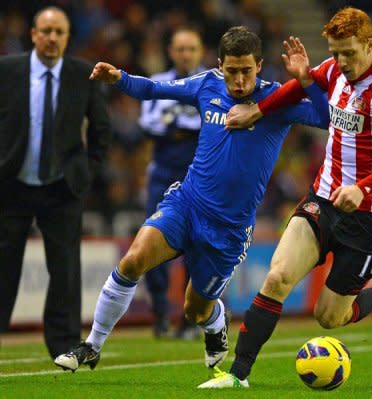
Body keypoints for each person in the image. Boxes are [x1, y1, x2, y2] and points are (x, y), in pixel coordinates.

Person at [54, 26, 329, 373]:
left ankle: (215, 323)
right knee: (133, 260)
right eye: (232, 71)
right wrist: (119, 78)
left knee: (194, 310)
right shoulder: (208, 84)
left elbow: (326, 117)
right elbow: (155, 88)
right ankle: (92, 345)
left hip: (228, 229)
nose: (239, 80)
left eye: (247, 70)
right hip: (187, 203)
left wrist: (304, 79)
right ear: (219, 65)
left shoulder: (278, 102)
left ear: (259, 65)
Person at [199, 6, 372, 388]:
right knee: (278, 277)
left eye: (348, 52)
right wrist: (259, 110)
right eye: (335, 52)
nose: (340, 61)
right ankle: (237, 376)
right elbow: (301, 84)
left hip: (370, 217)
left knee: (329, 317)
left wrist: (363, 187)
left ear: (369, 44)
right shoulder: (334, 70)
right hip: (324, 198)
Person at [0, 6, 111, 360]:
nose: (51, 38)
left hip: (62, 187)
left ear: (67, 37)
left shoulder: (83, 75)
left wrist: (87, 172)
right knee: (3, 266)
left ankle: (64, 345)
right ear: (33, 34)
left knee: (64, 270)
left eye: (58, 32)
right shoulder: (6, 71)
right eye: (45, 31)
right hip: (11, 184)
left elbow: (101, 130)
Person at [139, 27, 205, 340]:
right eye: (180, 48)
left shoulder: (210, 82)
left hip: (197, 176)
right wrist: (188, 127)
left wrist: (175, 126)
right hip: (163, 173)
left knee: (197, 243)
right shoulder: (158, 82)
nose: (185, 54)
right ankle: (161, 312)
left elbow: (213, 125)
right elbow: (148, 125)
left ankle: (190, 318)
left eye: (191, 48)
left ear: (200, 51)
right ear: (170, 51)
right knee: (153, 241)